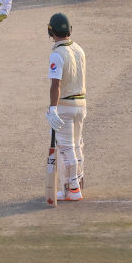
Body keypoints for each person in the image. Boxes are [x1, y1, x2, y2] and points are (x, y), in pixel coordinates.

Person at [44, 13, 86, 201]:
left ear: (51, 31)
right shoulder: (78, 49)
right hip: (81, 104)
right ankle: (77, 184)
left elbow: (56, 84)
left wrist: (53, 108)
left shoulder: (57, 54)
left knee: (65, 148)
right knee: (76, 146)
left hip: (65, 107)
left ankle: (73, 189)